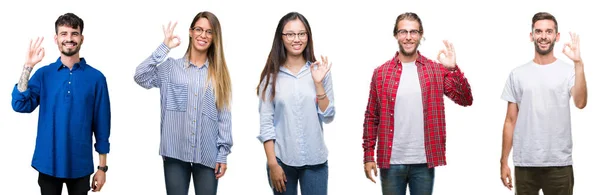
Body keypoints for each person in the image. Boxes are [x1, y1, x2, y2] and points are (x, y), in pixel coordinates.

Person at [362, 12, 473, 195]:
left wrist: (453, 69)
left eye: (413, 32)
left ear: (421, 35)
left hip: (423, 161)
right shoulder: (381, 73)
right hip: (390, 162)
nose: (408, 37)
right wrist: (368, 156)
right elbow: (371, 117)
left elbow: (465, 99)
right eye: (403, 32)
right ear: (396, 35)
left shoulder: (435, 70)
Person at [133, 11, 233, 195]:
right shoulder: (171, 68)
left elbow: (224, 117)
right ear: (190, 32)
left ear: (215, 37)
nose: (203, 35)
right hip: (175, 151)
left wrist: (223, 154)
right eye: (199, 29)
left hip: (207, 153)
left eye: (209, 32)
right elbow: (140, 76)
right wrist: (164, 47)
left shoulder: (219, 75)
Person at [11, 13, 111, 195]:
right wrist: (27, 66)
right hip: (48, 162)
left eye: (74, 33)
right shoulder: (44, 74)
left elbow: (102, 126)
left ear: (81, 38)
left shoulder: (97, 78)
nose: (69, 39)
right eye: (64, 34)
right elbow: (20, 105)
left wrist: (102, 168)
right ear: (56, 39)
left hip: (80, 165)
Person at [499, 12, 588, 195]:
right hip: (525, 163)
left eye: (549, 31)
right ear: (532, 36)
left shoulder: (568, 71)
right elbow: (510, 120)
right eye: (538, 32)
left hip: (559, 164)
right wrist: (503, 161)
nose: (544, 36)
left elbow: (581, 102)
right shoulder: (517, 74)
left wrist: (578, 64)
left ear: (557, 36)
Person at [256, 11, 335, 195]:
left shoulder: (321, 72)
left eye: (301, 33)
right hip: (282, 162)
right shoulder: (270, 78)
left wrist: (318, 84)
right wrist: (272, 164)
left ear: (308, 36)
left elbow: (328, 116)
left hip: (316, 161)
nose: (296, 39)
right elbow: (266, 125)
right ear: (281, 38)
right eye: (290, 34)